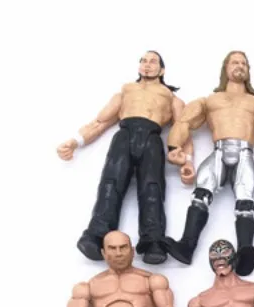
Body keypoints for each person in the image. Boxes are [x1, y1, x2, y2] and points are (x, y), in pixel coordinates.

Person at [162, 51, 254, 273]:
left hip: (245, 153)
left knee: (245, 204)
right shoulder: (210, 101)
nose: (239, 66)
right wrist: (174, 148)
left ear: (248, 70)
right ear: (226, 68)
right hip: (219, 151)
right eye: (235, 62)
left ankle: (244, 252)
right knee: (200, 195)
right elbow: (184, 122)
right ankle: (186, 246)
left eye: (244, 63)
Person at [57, 50, 184, 265]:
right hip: (124, 136)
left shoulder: (171, 98)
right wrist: (74, 142)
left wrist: (185, 160)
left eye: (153, 61)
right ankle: (96, 235)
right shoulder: (126, 92)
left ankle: (153, 241)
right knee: (110, 184)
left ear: (162, 70)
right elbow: (100, 122)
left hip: (152, 138)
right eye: (143, 61)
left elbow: (182, 127)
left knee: (152, 188)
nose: (147, 65)